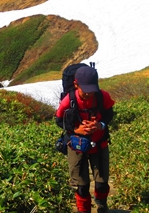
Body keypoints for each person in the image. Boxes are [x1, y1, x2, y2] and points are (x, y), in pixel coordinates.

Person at [55, 65, 115, 213]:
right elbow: (58, 120)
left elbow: (109, 114)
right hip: (76, 146)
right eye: (85, 90)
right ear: (76, 84)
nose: (89, 94)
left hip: (99, 144)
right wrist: (76, 130)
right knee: (82, 186)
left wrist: (100, 125)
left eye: (91, 90)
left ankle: (102, 206)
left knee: (101, 183)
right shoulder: (69, 100)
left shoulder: (102, 96)